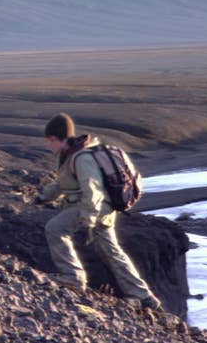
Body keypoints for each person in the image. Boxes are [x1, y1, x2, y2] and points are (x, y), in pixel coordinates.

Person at [39, 113, 161, 310]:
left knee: (55, 228)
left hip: (93, 208)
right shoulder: (71, 155)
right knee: (112, 251)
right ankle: (144, 296)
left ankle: (72, 277)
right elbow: (63, 183)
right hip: (102, 210)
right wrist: (42, 197)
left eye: (50, 140)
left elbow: (92, 190)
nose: (49, 145)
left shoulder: (81, 158)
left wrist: (88, 219)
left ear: (59, 138)